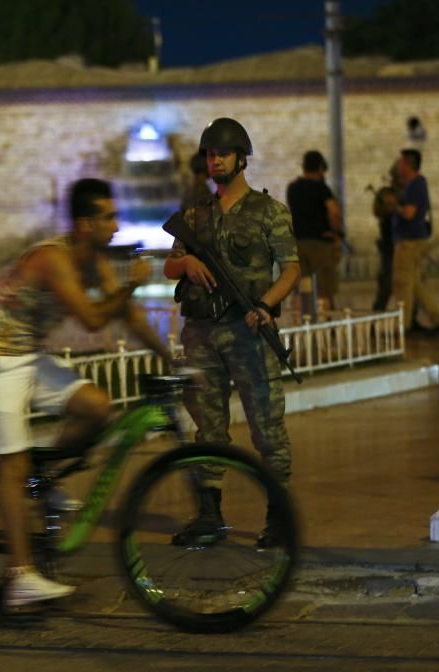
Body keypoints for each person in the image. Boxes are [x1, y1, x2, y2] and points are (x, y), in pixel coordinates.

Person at [0, 178, 174, 608]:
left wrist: (170, 358)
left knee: (96, 407)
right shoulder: (53, 260)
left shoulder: (94, 260)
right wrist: (132, 284)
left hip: (24, 356)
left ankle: (42, 480)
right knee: (12, 465)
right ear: (84, 223)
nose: (116, 225)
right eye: (108, 217)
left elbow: (124, 313)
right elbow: (95, 319)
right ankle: (20, 577)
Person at [163, 117, 300, 549]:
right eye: (209, 154)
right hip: (202, 334)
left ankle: (278, 517)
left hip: (249, 332)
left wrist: (265, 305)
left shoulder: (268, 212)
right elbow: (170, 265)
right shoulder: (194, 215)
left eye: (221, 153)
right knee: (208, 428)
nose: (214, 160)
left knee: (267, 427)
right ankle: (209, 515)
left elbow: (292, 268)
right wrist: (186, 265)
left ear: (241, 158)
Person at [391, 149, 439, 336]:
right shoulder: (414, 184)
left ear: (408, 165)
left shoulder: (416, 184)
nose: (398, 165)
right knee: (415, 285)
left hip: (409, 242)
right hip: (414, 240)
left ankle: (404, 326)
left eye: (401, 163)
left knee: (402, 284)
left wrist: (393, 206)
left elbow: (409, 213)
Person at [286, 150, 343, 315]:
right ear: (320, 167)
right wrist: (336, 232)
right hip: (320, 243)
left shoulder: (293, 188)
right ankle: (325, 327)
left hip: (298, 242)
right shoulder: (321, 188)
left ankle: (302, 324)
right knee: (324, 289)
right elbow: (334, 212)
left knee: (302, 287)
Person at [371, 161, 401, 312]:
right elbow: (378, 211)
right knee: (386, 284)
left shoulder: (401, 195)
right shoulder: (387, 194)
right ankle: (377, 316)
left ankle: (411, 318)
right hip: (389, 247)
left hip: (399, 245)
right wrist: (389, 207)